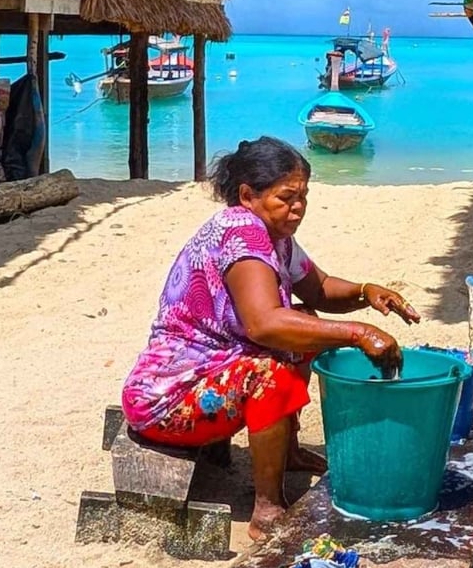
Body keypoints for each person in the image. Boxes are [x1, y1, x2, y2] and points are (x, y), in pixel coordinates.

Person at [120, 136, 419, 539]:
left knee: (303, 320)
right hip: (165, 399)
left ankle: (286, 451)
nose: (298, 208)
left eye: (303, 196)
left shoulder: (274, 234)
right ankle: (267, 511)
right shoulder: (240, 231)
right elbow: (263, 324)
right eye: (287, 197)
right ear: (248, 195)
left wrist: (367, 292)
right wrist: (358, 332)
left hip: (213, 370)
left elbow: (318, 289)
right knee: (269, 373)